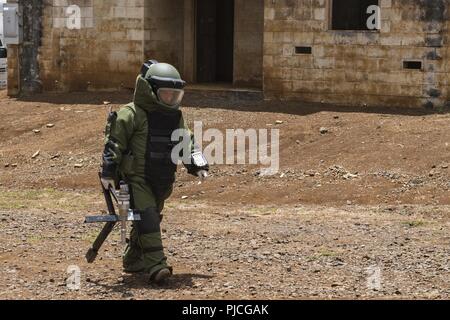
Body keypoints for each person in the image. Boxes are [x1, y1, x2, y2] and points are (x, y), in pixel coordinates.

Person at [100, 60, 209, 284]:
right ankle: (157, 266)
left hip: (163, 179)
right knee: (148, 216)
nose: (170, 99)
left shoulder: (175, 117)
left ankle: (132, 259)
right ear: (149, 91)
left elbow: (186, 141)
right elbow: (114, 144)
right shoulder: (130, 114)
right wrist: (108, 171)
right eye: (166, 94)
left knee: (149, 218)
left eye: (174, 95)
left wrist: (196, 164)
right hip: (136, 178)